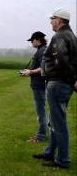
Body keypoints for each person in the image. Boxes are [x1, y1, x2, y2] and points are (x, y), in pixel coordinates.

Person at [32, 9, 77, 169]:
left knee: (58, 123)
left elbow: (62, 61)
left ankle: (62, 160)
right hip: (63, 83)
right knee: (55, 120)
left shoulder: (59, 36)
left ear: (60, 20)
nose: (51, 21)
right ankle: (50, 151)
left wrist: (73, 81)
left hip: (58, 83)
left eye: (52, 18)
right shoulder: (71, 35)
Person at [21, 31, 47, 143]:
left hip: (40, 85)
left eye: (32, 40)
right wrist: (29, 72)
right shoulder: (41, 50)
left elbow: (43, 68)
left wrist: (30, 72)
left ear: (37, 40)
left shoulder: (42, 51)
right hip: (39, 85)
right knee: (40, 111)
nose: (31, 42)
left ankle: (40, 136)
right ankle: (41, 134)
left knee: (40, 111)